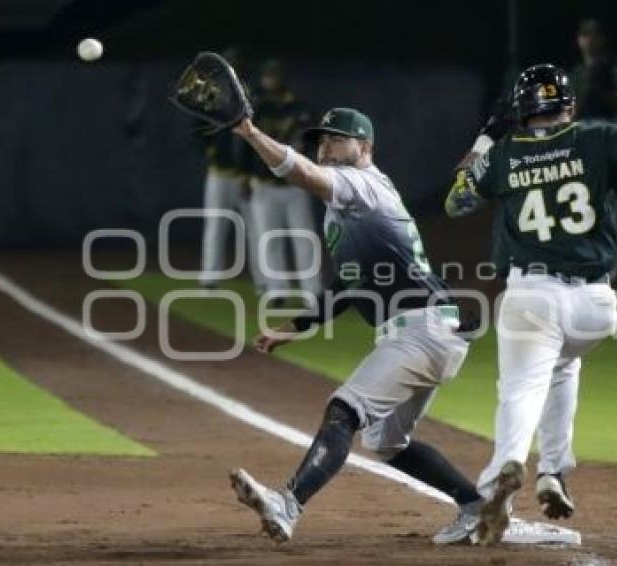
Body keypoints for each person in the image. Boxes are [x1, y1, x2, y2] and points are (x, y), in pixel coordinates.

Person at [443, 64, 617, 545]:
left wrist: (488, 138)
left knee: (519, 390)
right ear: (568, 106)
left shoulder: (507, 154)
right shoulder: (599, 138)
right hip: (596, 306)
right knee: (561, 366)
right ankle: (553, 471)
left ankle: (501, 481)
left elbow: (458, 200)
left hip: (534, 296)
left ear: (522, 110)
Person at [228, 106, 487, 544]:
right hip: (428, 330)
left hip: (419, 332)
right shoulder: (348, 205)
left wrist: (250, 133)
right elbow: (352, 285)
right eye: (322, 139)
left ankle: (287, 504)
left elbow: (302, 173)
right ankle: (477, 508)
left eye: (335, 139)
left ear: (364, 146)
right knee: (387, 443)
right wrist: (296, 325)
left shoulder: (360, 185)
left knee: (343, 411)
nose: (324, 146)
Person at [247, 59, 323, 299]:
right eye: (268, 75)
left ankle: (313, 290)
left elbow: (315, 138)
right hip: (265, 183)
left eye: (275, 74)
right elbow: (247, 146)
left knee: (305, 238)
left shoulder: (299, 108)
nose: (272, 79)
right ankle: (276, 291)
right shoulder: (256, 110)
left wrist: (304, 144)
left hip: (294, 184)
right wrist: (246, 175)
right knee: (269, 239)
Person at [198, 48, 265, 291]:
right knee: (216, 225)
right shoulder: (211, 95)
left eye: (236, 64)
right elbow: (197, 128)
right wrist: (208, 149)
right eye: (230, 63)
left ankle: (263, 281)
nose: (233, 67)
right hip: (220, 173)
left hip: (247, 176)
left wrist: (252, 170)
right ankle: (210, 278)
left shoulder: (253, 95)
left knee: (258, 230)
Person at [570, 19, 617, 122]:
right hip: (583, 126)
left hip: (608, 125)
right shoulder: (577, 72)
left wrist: (603, 90)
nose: (589, 40)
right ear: (578, 40)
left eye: (594, 35)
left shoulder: (614, 68)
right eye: (584, 35)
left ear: (603, 39)